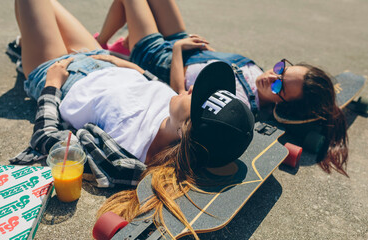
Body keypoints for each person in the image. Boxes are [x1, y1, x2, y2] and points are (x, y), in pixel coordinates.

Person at [14, 0, 255, 238]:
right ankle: (25, 44)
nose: (191, 88)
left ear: (185, 130)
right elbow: (152, 86)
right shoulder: (176, 111)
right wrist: (124, 63)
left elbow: (51, 142)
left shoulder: (126, 156)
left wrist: (51, 85)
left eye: (198, 95)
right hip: (103, 59)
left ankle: (26, 47)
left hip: (61, 74)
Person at [95, 0, 348, 176]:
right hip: (187, 44)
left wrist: (176, 51)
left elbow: (177, 96)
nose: (272, 76)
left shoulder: (236, 100)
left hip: (163, 57)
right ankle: (127, 43)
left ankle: (101, 44)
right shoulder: (261, 76)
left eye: (279, 85)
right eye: (281, 68)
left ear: (284, 105)